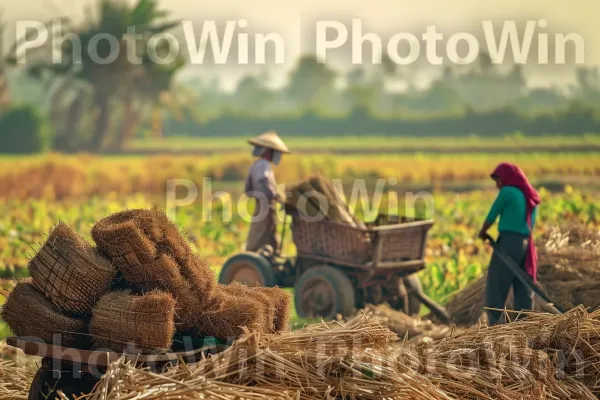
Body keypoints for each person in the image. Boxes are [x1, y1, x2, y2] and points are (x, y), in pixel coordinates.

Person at [478, 162, 540, 326]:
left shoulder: (508, 192)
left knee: (496, 285)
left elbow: (492, 215)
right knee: (522, 285)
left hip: (508, 242)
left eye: (498, 180)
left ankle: (496, 327)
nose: (497, 185)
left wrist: (482, 232)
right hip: (526, 244)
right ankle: (525, 325)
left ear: (506, 178)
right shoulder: (529, 194)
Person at [244, 130, 290, 252]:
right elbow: (265, 184)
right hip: (265, 205)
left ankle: (272, 254)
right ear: (267, 151)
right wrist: (278, 197)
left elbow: (248, 189)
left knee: (269, 232)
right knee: (260, 233)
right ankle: (251, 256)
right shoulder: (263, 165)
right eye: (274, 152)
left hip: (263, 204)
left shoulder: (257, 164)